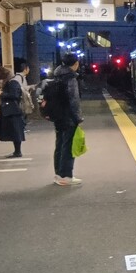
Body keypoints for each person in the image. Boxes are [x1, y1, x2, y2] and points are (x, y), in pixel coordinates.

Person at [50, 53, 84, 186]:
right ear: (75, 64)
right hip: (68, 116)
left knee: (60, 145)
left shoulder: (57, 75)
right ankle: (66, 176)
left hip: (58, 116)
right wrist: (78, 118)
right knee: (68, 146)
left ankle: (58, 174)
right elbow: (73, 100)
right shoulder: (70, 78)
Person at [0, 67, 27, 158]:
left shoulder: (12, 82)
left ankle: (18, 152)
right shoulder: (11, 82)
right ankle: (17, 151)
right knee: (15, 131)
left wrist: (1, 94)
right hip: (12, 110)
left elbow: (14, 95)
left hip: (13, 110)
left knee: (15, 131)